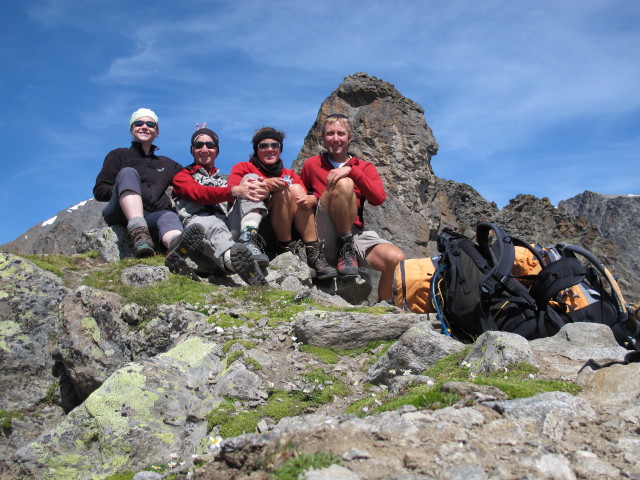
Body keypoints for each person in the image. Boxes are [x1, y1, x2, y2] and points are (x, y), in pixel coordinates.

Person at [300, 113, 405, 301]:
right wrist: (315, 199)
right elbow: (301, 198)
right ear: (323, 138)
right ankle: (343, 249)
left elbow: (378, 198)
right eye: (330, 134)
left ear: (350, 138)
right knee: (344, 184)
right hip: (323, 234)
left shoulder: (363, 167)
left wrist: (352, 171)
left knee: (395, 258)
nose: (335, 138)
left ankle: (385, 308)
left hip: (353, 232)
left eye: (341, 133)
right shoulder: (311, 165)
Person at [93, 108, 204, 278]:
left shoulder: (166, 164)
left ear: (157, 132)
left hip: (153, 215)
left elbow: (189, 177)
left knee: (168, 214)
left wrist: (199, 144)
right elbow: (99, 190)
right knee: (128, 173)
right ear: (132, 129)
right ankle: (139, 233)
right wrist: (125, 187)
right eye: (139, 123)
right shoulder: (118, 155)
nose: (144, 127)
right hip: (120, 212)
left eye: (150, 124)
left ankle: (176, 246)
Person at [227, 127, 336, 280]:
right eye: (263, 146)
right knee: (283, 191)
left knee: (296, 189)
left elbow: (301, 202)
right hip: (257, 230)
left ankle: (314, 253)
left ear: (280, 149)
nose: (269, 149)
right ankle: (285, 250)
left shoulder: (288, 174)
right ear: (256, 149)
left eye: (274, 145)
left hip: (285, 227)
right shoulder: (243, 168)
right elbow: (231, 192)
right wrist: (265, 184)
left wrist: (314, 199)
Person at [170, 127, 269, 286]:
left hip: (228, 223)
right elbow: (198, 193)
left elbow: (241, 195)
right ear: (192, 150)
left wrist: (263, 191)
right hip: (199, 225)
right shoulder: (183, 176)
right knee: (214, 225)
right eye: (198, 145)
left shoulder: (224, 181)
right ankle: (236, 262)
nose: (204, 149)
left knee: (251, 179)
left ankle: (248, 239)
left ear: (216, 150)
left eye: (210, 145)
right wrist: (234, 191)